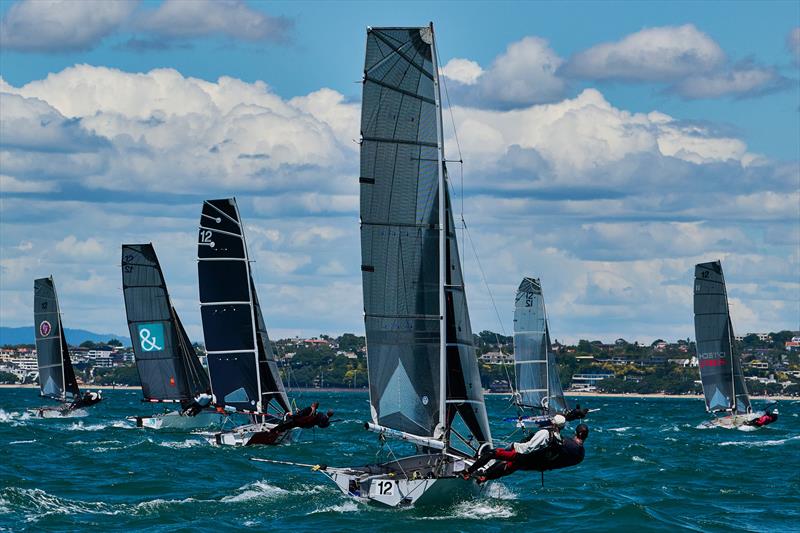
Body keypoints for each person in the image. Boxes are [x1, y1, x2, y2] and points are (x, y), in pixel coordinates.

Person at [468, 422, 589, 483]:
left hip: (531, 458)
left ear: (576, 433)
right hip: (540, 465)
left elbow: (554, 442)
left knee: (501, 456)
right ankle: (484, 477)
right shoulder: (581, 455)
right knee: (512, 466)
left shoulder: (566, 443)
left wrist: (531, 438)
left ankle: (471, 473)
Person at [463, 414, 566, 481]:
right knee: (506, 467)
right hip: (532, 462)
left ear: (553, 423)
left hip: (524, 456)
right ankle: (484, 477)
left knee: (492, 453)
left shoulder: (545, 433)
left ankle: (468, 472)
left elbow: (528, 448)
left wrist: (515, 445)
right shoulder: (560, 440)